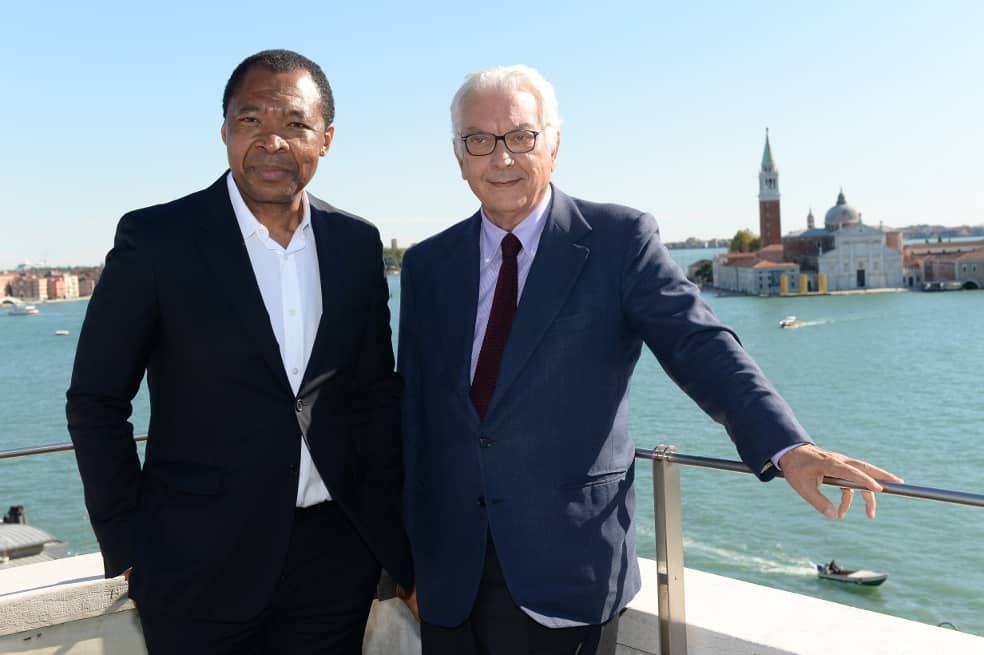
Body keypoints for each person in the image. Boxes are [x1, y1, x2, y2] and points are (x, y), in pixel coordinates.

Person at [397, 64, 902, 655]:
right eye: (478, 140)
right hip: (448, 574)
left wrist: (787, 447)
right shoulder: (429, 264)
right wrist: (404, 556)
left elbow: (700, 344)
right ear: (458, 154)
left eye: (520, 137)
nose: (500, 157)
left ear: (554, 143)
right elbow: (415, 413)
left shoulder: (618, 241)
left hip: (566, 567)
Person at [66, 49, 412, 655]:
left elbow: (376, 399)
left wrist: (395, 543)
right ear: (224, 130)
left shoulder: (356, 245)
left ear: (325, 139)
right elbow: (96, 401)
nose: (272, 142)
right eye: (251, 121)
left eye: (295, 124)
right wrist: (128, 546)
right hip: (195, 568)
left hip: (335, 561)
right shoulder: (156, 241)